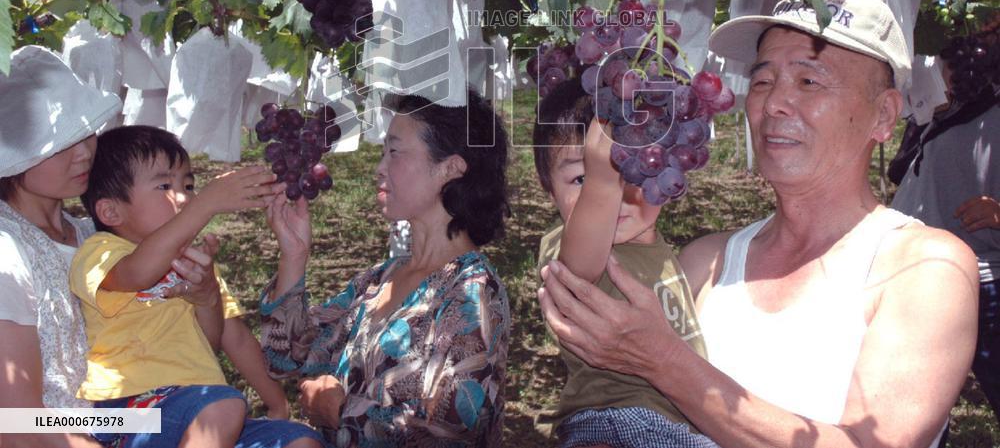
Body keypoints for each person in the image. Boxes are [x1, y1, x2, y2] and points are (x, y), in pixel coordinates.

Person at [538, 0, 980, 448]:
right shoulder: (701, 264)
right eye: (763, 81)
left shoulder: (926, 269)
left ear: (884, 115)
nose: (773, 104)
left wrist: (664, 361)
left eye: (809, 82)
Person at [260, 90, 510, 447]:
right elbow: (282, 357)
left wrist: (339, 411)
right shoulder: (379, 280)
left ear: (451, 168)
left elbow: (451, 429)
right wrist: (294, 256)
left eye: (394, 152)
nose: (379, 167)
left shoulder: (472, 291)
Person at [71, 124, 322, 448]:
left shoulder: (197, 265)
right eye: (164, 185)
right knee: (225, 405)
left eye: (189, 185)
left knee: (299, 440)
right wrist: (207, 204)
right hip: (125, 412)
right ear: (110, 211)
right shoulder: (100, 253)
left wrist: (276, 401)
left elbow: (229, 338)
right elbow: (136, 273)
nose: (186, 197)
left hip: (199, 408)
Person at [532, 79, 716, 448]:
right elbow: (579, 269)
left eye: (631, 171)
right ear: (549, 190)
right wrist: (602, 181)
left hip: (680, 424)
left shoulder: (661, 252)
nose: (614, 194)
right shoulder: (569, 245)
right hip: (618, 421)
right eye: (579, 179)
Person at [0, 46, 123, 448]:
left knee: (289, 439)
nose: (85, 152)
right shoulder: (8, 252)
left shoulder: (91, 235)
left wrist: (206, 295)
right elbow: (17, 423)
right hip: (61, 432)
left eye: (86, 133)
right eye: (61, 143)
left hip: (121, 418)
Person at [888, 26, 1000, 426]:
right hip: (917, 277)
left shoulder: (995, 121)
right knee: (909, 406)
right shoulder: (937, 113)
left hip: (983, 284)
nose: (945, 77)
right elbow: (900, 173)